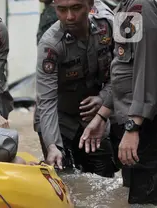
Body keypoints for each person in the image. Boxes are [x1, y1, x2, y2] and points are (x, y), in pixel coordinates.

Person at [80, 0, 157, 204]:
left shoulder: (141, 6)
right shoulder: (125, 7)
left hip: (144, 125)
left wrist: (133, 128)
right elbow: (123, 71)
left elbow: (148, 69)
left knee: (144, 200)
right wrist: (101, 116)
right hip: (133, 121)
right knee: (133, 195)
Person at [34, 0, 117, 177]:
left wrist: (103, 97)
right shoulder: (50, 45)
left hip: (93, 116)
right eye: (62, 10)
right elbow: (47, 101)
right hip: (58, 119)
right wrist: (53, 146)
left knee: (104, 178)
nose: (69, 17)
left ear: (90, 4)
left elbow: (123, 74)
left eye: (76, 8)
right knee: (66, 180)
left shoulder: (108, 26)